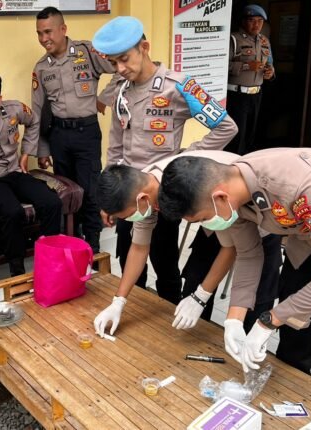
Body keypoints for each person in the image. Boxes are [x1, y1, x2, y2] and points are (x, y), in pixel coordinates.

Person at [158, 148, 311, 417]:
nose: (209, 225)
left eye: (204, 219)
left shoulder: (305, 187)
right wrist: (234, 319)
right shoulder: (232, 197)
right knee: (293, 347)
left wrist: (267, 321)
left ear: (220, 197)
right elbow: (249, 254)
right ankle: (296, 417)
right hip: (308, 245)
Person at [91, 16, 238, 305]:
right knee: (127, 255)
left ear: (144, 47)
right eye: (113, 63)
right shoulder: (120, 89)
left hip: (162, 193)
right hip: (127, 190)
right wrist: (109, 198)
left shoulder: (179, 87)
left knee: (164, 260)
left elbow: (226, 127)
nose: (120, 69)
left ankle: (169, 314)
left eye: (124, 59)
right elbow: (116, 144)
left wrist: (185, 159)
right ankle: (132, 308)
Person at [94, 151, 281, 336]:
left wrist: (202, 296)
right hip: (214, 217)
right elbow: (139, 247)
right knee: (195, 281)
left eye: (128, 216)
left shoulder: (186, 189)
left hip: (255, 220)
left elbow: (231, 248)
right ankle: (203, 338)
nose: (131, 220)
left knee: (253, 302)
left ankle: (248, 344)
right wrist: (118, 302)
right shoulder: (142, 186)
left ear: (142, 199)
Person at [32, 6, 118, 254]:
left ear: (63, 29)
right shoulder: (41, 67)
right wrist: (42, 149)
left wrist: (104, 99)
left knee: (90, 191)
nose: (44, 38)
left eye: (48, 31)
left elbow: (121, 69)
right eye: (39, 33)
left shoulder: (86, 51)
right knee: (69, 193)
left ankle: (93, 246)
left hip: (86, 133)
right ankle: (74, 242)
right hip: (59, 136)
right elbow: (38, 111)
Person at [0, 72, 62, 276]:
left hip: (14, 172)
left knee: (51, 202)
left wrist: (26, 152)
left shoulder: (14, 109)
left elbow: (34, 121)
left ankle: (49, 259)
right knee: (12, 212)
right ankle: (17, 271)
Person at [226, 4, 275, 155]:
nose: (256, 25)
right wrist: (247, 66)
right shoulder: (233, 39)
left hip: (256, 94)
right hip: (237, 95)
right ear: (243, 21)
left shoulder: (264, 41)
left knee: (251, 133)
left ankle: (247, 160)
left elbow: (270, 64)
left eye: (260, 21)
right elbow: (222, 66)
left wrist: (270, 72)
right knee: (237, 135)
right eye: (252, 20)